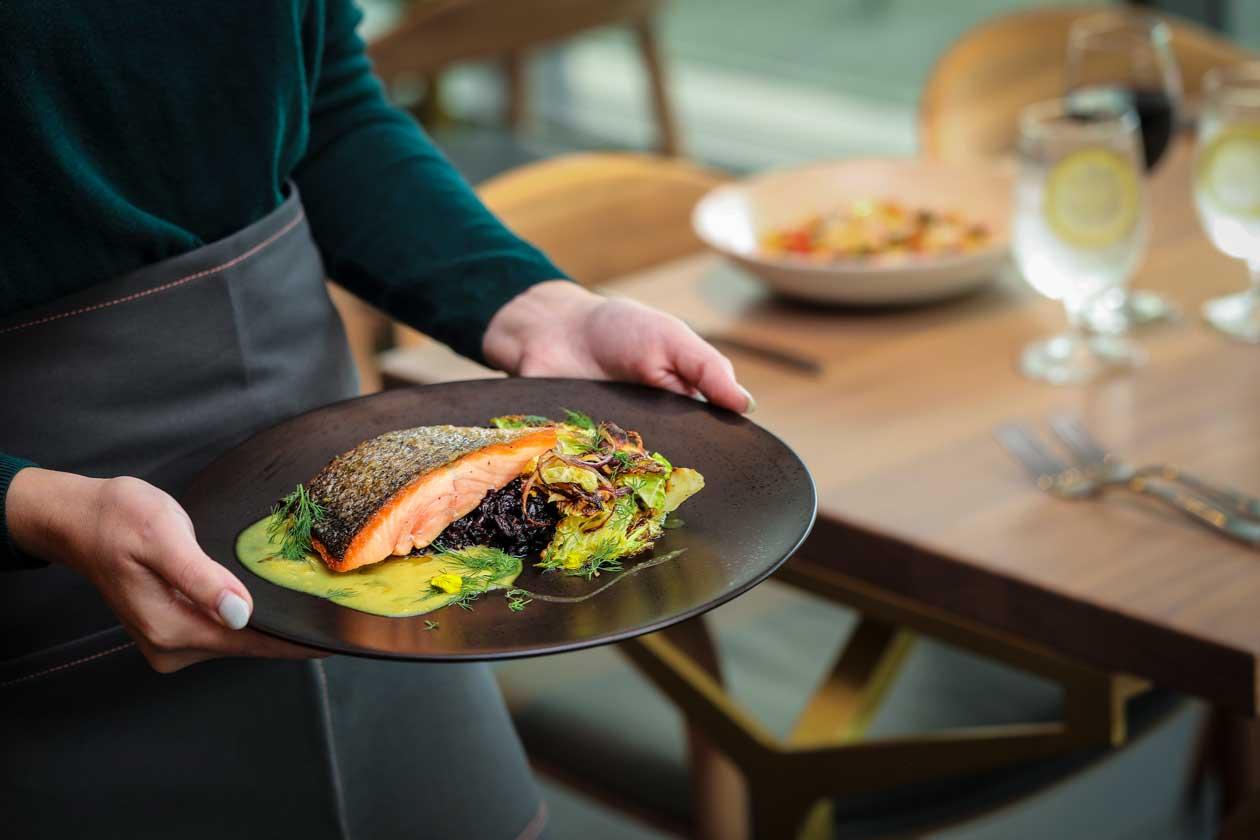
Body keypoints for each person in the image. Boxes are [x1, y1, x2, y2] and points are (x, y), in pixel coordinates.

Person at [0, 3, 752, 837]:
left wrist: (537, 306)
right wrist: (26, 505)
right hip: (42, 531)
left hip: (343, 490)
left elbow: (326, 105)